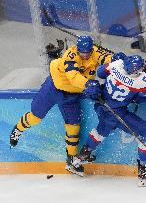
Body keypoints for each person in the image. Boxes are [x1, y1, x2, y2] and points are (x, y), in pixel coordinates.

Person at [9, 35, 114, 176]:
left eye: (87, 52)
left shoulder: (93, 51)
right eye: (82, 52)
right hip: (53, 89)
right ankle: (18, 129)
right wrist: (87, 83)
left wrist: (118, 59)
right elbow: (73, 77)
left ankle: (70, 161)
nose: (85, 54)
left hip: (71, 96)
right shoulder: (71, 55)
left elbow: (106, 58)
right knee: (35, 117)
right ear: (77, 49)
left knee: (74, 127)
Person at [75, 55, 146, 186]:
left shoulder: (116, 65)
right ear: (135, 72)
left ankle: (79, 159)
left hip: (102, 107)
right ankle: (144, 174)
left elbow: (100, 72)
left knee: (102, 129)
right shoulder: (140, 81)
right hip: (117, 113)